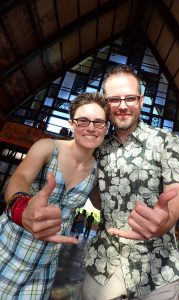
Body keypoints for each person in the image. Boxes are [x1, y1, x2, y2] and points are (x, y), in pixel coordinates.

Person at [17, 65, 179, 300]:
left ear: (141, 100)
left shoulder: (166, 140)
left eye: (130, 97)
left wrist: (168, 216)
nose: (123, 105)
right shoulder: (96, 144)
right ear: (106, 105)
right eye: (114, 99)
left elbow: (177, 187)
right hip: (104, 263)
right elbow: (95, 198)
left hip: (158, 265)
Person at [0, 92, 108, 299]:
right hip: (7, 249)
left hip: (43, 266)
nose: (91, 128)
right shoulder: (47, 147)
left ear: (105, 128)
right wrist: (21, 206)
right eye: (83, 120)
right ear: (71, 123)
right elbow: (20, 177)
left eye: (99, 122)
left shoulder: (97, 174)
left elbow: (104, 207)